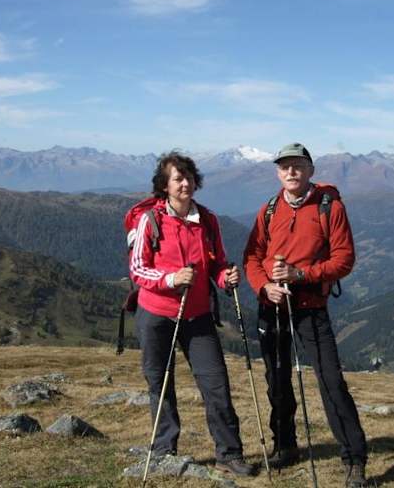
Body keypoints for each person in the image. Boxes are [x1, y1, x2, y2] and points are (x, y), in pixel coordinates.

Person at [243, 142, 368, 487]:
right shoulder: (269, 210)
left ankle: (354, 459)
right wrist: (264, 287)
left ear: (310, 170)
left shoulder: (330, 207)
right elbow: (252, 257)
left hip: (311, 307)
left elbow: (344, 260)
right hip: (273, 305)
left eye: (298, 165)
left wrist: (300, 275)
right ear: (278, 172)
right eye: (285, 166)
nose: (291, 172)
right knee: (277, 379)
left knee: (331, 382)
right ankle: (285, 446)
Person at [129, 151, 254, 477]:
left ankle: (229, 454)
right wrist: (171, 279)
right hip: (156, 314)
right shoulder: (150, 220)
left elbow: (216, 264)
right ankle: (164, 449)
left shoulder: (207, 220)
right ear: (164, 186)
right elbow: (137, 268)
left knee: (216, 383)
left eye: (188, 177)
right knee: (160, 382)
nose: (184, 183)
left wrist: (226, 277)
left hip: (197, 315)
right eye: (177, 178)